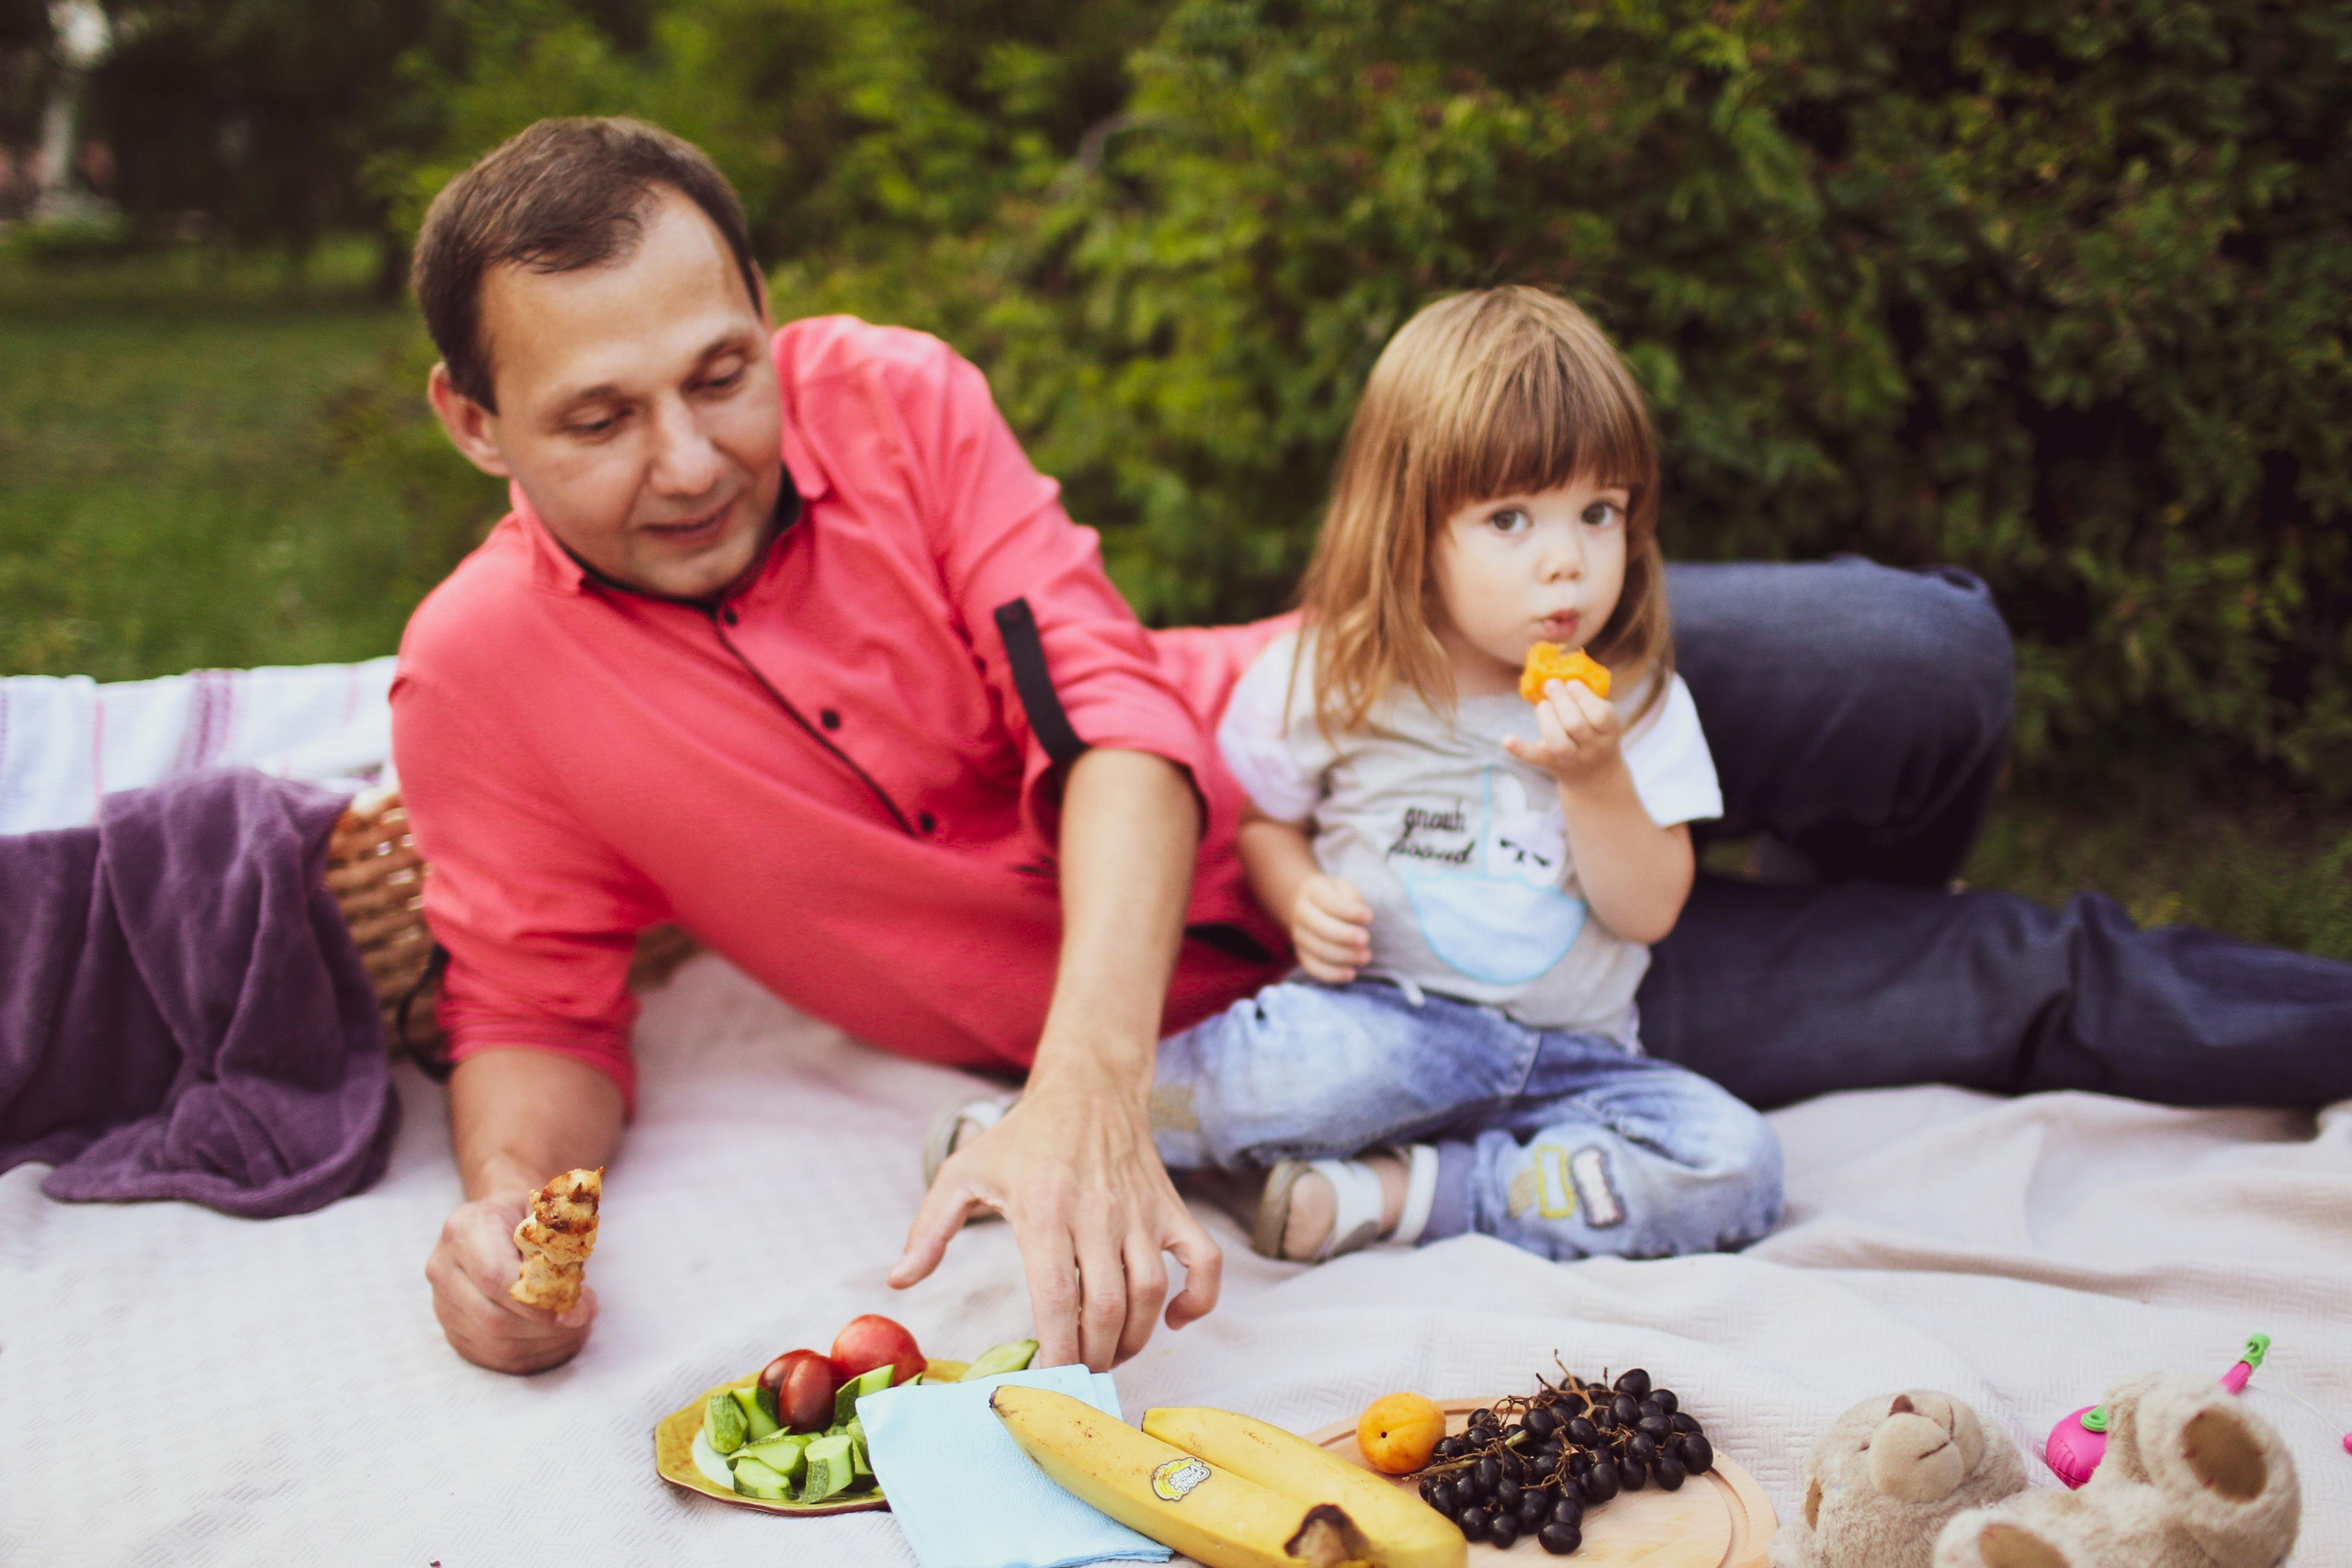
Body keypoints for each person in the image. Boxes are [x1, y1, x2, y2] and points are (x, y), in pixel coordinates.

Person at [393, 116, 2352, 1379]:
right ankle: (1834, 961)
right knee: (2019, 979)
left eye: (721, 373)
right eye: (600, 418)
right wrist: (506, 1217)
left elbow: (1112, 718)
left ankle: (1805, 907)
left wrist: (1083, 1089)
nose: (692, 458)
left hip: (1405, 703)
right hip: (1386, 1002)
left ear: (766, 313)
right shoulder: (481, 679)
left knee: (1920, 655)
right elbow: (534, 1010)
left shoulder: (892, 399)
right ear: (473, 423)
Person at [1151, 287, 1783, 1265]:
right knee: (1297, 1077)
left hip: (1573, 1062)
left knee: (1734, 1162)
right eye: (1510, 519)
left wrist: (1596, 777)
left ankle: (1405, 1192)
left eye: (1599, 512)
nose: (1567, 562)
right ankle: (1078, 1124)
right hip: (1387, 1027)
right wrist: (1300, 894)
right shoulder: (1336, 677)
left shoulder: (1638, 701)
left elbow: (1649, 910)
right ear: (1410, 529)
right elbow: (1265, 823)